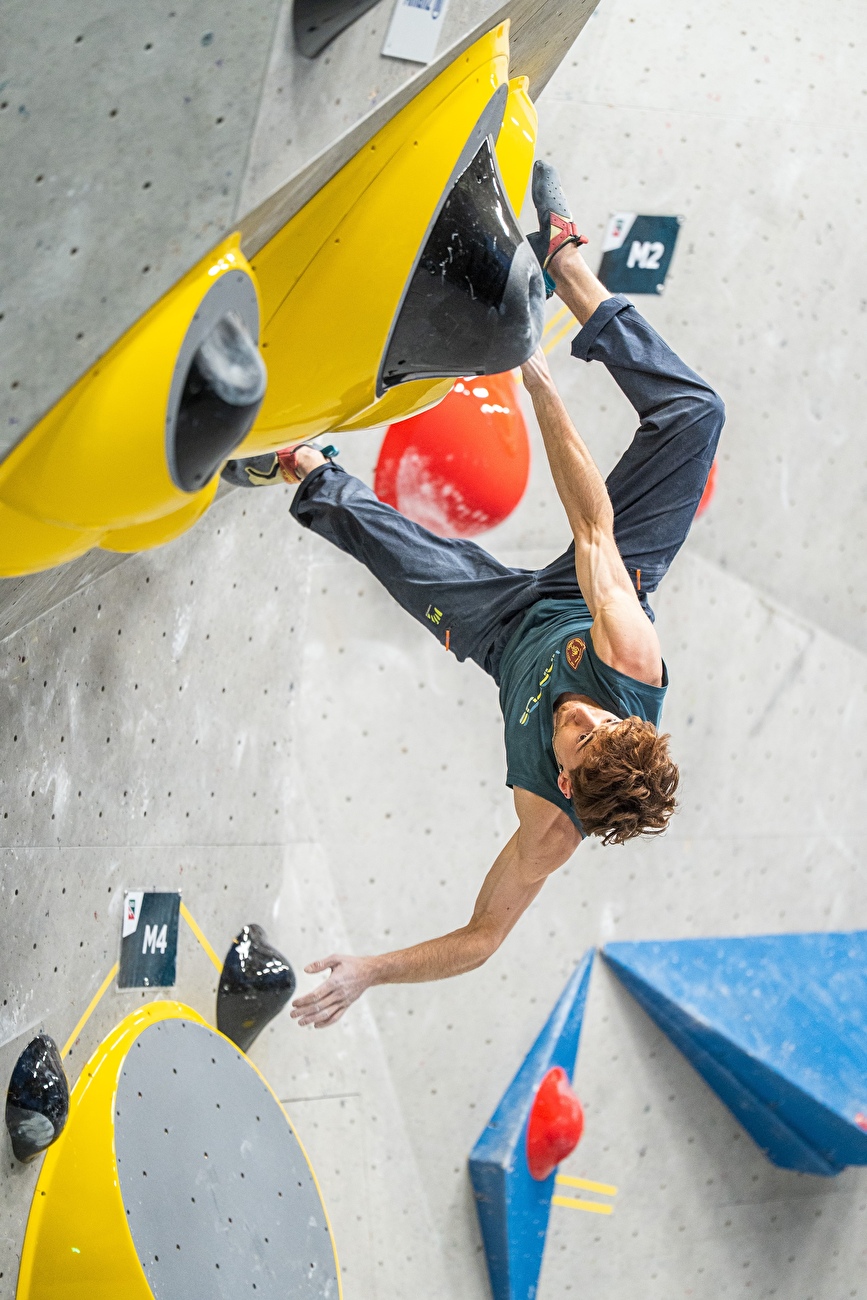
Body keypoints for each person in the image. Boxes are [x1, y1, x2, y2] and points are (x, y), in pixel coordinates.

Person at [227, 162, 725, 1028]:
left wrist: (371, 972)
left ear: (565, 781)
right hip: (600, 584)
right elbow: (593, 529)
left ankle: (295, 464)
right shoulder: (629, 661)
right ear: (629, 720)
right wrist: (535, 380)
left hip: (502, 637)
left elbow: (483, 937)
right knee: (696, 415)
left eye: (573, 740)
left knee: (389, 547)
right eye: (599, 721)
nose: (579, 720)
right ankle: (572, 267)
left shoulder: (549, 830)